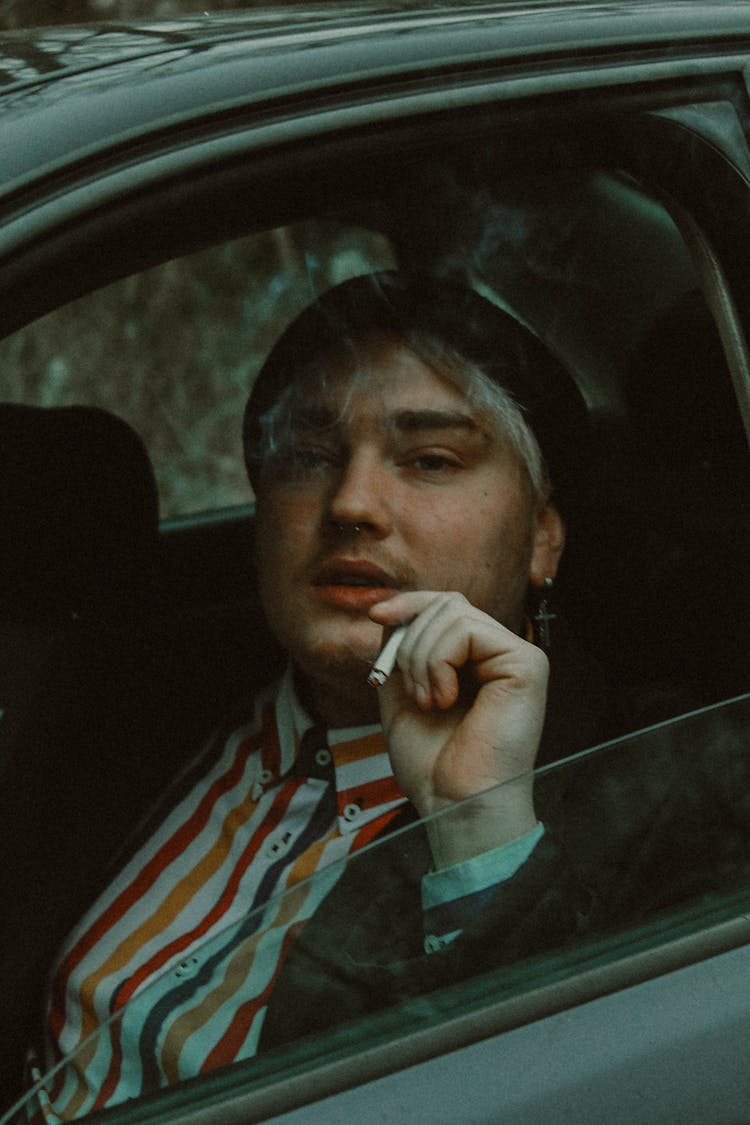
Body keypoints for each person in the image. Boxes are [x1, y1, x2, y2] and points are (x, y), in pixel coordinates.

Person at [26, 272, 618, 1121]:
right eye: (308, 456)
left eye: (431, 459)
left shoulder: (647, 785)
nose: (351, 503)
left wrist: (476, 831)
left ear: (542, 537)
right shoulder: (150, 702)